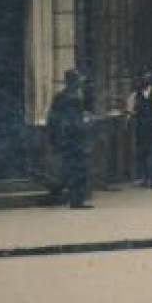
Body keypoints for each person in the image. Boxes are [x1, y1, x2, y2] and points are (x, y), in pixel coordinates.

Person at [46, 69, 92, 209]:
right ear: (73, 81)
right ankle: (75, 200)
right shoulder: (74, 98)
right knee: (78, 169)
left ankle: (62, 193)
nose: (80, 83)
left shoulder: (59, 96)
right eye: (78, 80)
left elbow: (52, 118)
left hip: (64, 138)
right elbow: (75, 121)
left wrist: (55, 138)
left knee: (69, 169)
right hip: (74, 139)